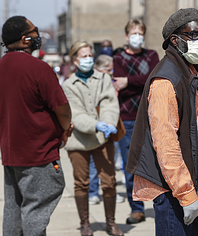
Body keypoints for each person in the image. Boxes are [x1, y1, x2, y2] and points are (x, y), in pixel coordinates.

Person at [126, 8, 198, 236]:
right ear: (175, 40)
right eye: (194, 35)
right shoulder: (166, 80)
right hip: (173, 193)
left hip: (187, 187)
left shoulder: (185, 72)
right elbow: (166, 144)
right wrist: (186, 194)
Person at [0, 15, 73, 236]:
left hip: (11, 154)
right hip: (38, 153)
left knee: (14, 208)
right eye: (34, 31)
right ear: (25, 38)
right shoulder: (39, 68)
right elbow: (63, 109)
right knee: (35, 212)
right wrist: (66, 128)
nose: (38, 35)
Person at [62, 41, 124, 236]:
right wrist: (95, 125)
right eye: (83, 56)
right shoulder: (68, 85)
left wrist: (108, 122)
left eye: (90, 55)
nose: (88, 59)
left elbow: (109, 103)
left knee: (109, 181)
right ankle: (85, 224)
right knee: (81, 182)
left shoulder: (104, 78)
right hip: (78, 141)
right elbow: (75, 113)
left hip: (103, 139)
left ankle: (111, 223)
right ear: (75, 60)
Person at [112, 18, 160, 224]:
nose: (137, 37)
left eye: (140, 33)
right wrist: (142, 82)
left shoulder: (151, 55)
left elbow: (154, 78)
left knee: (156, 164)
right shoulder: (119, 58)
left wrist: (130, 82)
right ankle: (137, 208)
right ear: (126, 36)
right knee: (130, 166)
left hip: (151, 117)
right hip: (128, 119)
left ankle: (160, 203)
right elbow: (119, 83)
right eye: (133, 33)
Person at [88, 54, 125, 206]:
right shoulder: (92, 82)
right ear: (100, 69)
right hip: (97, 125)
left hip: (112, 125)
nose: (112, 73)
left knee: (110, 160)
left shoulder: (112, 82)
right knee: (93, 162)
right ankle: (93, 192)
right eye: (109, 70)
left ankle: (110, 191)